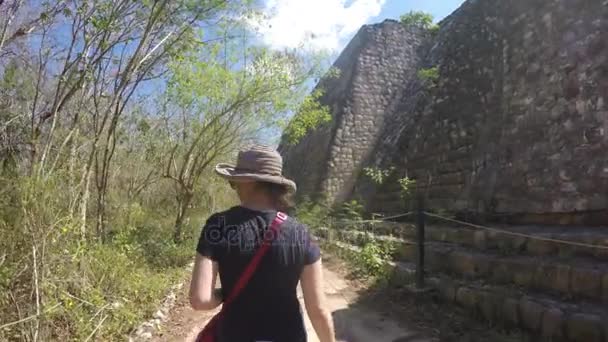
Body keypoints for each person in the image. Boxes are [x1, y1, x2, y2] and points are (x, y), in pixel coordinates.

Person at [189, 144, 336, 342]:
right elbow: (318, 309)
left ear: (248, 182)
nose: (235, 188)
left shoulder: (218, 225)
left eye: (235, 182)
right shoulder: (302, 233)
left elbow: (200, 300)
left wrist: (226, 293)